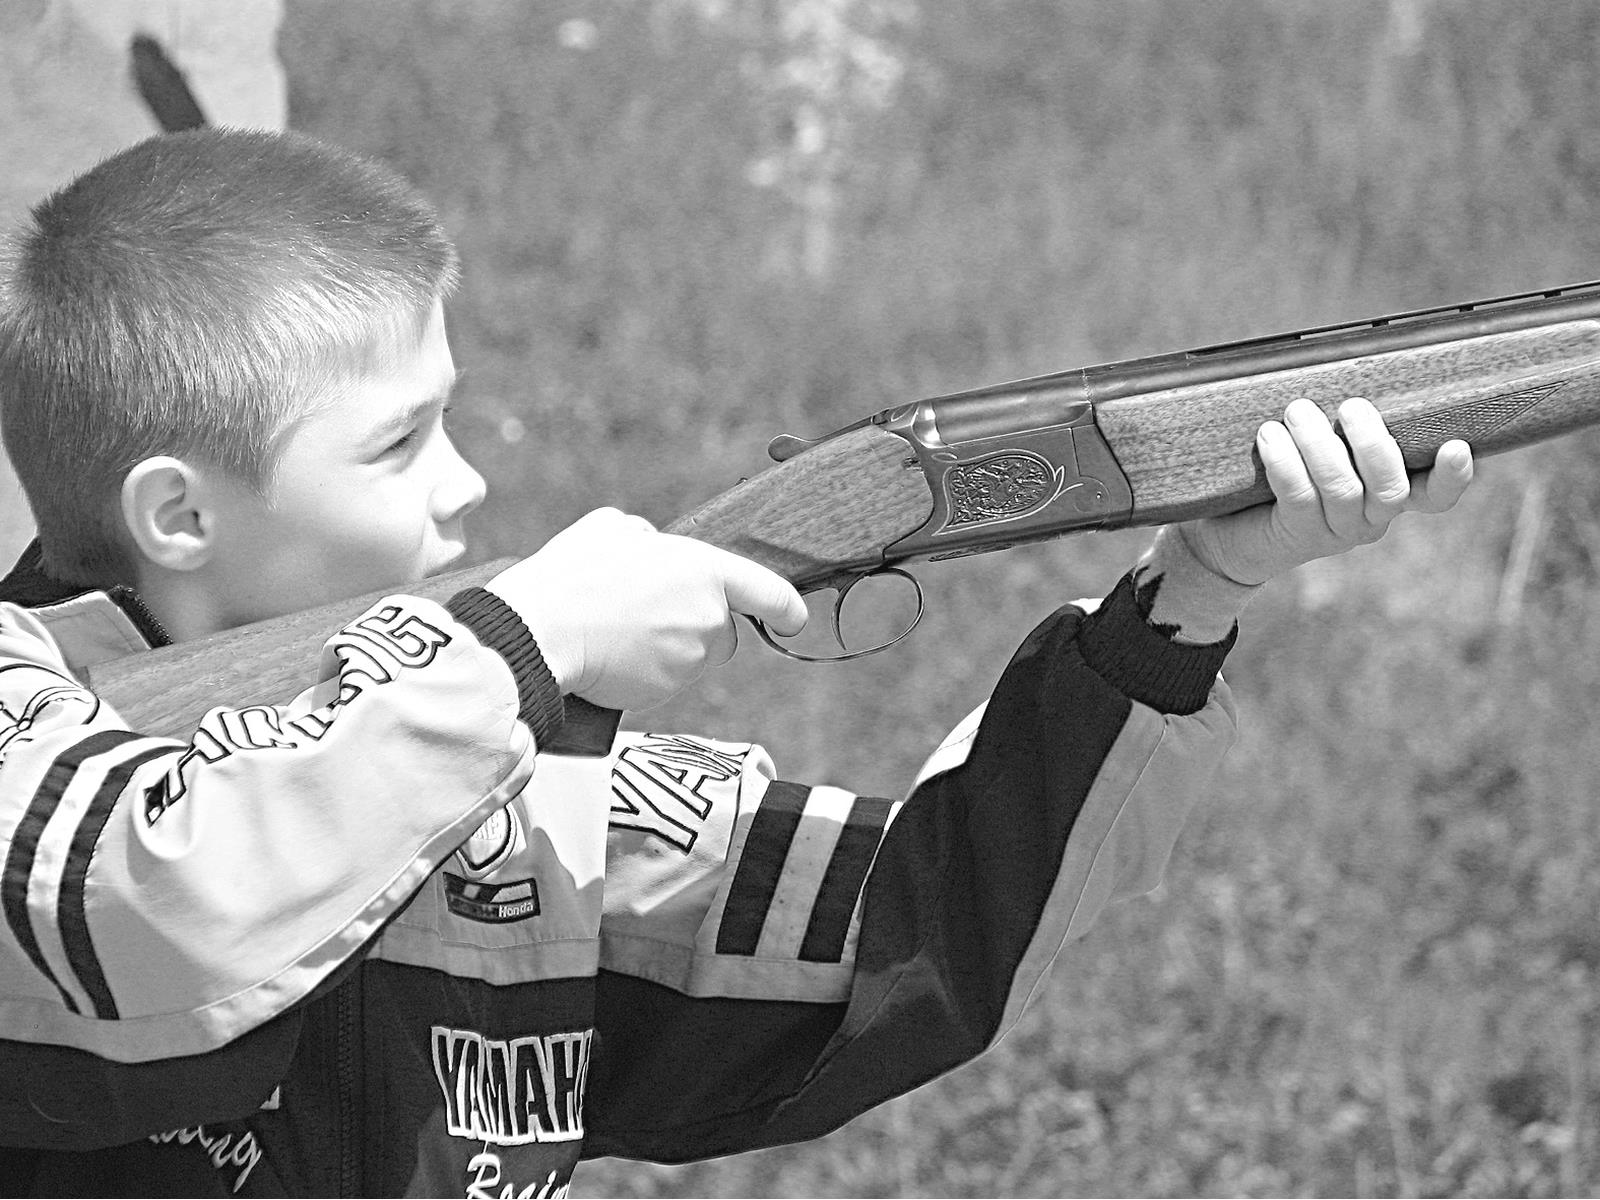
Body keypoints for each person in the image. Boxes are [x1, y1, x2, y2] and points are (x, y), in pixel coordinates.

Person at [0, 129, 1472, 1198]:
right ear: (178, 516)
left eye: (449, 416)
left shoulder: (514, 778)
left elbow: (914, 928)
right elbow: (153, 908)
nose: (466, 484)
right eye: (397, 444)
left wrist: (1190, 596)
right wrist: (525, 646)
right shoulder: (39, 730)